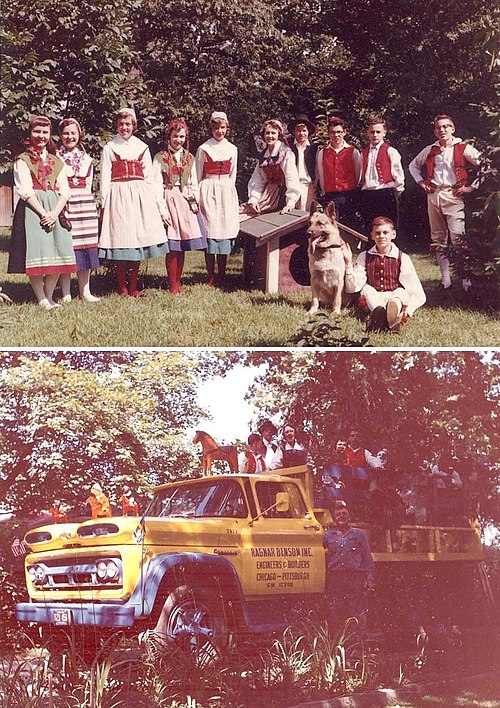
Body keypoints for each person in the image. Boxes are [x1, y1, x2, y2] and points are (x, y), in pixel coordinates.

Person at [7, 115, 76, 309]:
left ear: (50, 134)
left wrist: (54, 213)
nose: (41, 136)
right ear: (30, 133)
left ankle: (49, 295)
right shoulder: (23, 160)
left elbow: (65, 190)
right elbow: (25, 191)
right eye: (37, 131)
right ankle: (41, 298)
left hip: (55, 207)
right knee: (37, 251)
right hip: (33, 209)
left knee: (58, 250)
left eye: (45, 132)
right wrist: (43, 213)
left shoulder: (56, 161)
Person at [99, 107, 168, 297]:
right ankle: (122, 287)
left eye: (128, 124)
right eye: (121, 124)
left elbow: (149, 177)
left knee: (136, 241)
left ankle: (133, 286)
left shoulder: (142, 147)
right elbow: (104, 177)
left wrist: (152, 202)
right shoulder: (110, 147)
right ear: (117, 125)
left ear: (134, 126)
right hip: (118, 195)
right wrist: (105, 203)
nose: (124, 127)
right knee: (122, 240)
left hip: (138, 196)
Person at [408, 114, 481, 291]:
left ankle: (466, 281)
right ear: (435, 131)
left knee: (458, 237)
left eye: (446, 126)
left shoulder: (463, 147)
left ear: (452, 129)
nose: (442, 130)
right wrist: (421, 182)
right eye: (439, 127)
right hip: (433, 195)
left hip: (454, 195)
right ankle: (445, 280)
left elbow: (485, 165)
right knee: (438, 238)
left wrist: (471, 187)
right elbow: (413, 166)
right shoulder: (431, 149)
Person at [344, 216, 426, 332]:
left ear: (393, 234)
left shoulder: (402, 257)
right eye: (377, 233)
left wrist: (408, 311)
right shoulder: (365, 256)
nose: (381, 236)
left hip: (393, 294)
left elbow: (416, 291)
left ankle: (392, 315)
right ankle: (380, 313)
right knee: (367, 289)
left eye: (385, 232)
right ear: (372, 235)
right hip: (374, 298)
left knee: (400, 292)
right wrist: (348, 263)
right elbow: (352, 287)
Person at [153, 118, 206, 294]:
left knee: (182, 244)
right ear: (169, 137)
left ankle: (178, 281)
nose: (179, 140)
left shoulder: (189, 158)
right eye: (175, 136)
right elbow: (155, 184)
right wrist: (161, 209)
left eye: (182, 137)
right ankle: (172, 284)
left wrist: (194, 201)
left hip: (184, 201)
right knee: (172, 245)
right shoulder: (160, 157)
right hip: (168, 199)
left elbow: (193, 182)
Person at [57, 118, 100, 303]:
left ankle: (85, 291)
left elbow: (89, 185)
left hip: (85, 205)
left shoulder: (87, 159)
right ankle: (66, 292)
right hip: (66, 204)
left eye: (73, 133)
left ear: (79, 134)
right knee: (68, 247)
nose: (70, 136)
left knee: (86, 248)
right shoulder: (55, 158)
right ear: (60, 135)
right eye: (66, 133)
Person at [195, 111, 240, 287]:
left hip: (225, 190)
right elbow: (198, 174)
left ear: (227, 128)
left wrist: (228, 189)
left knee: (224, 229)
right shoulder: (204, 148)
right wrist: (198, 195)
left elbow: (233, 174)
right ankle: (211, 274)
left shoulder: (232, 149)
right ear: (211, 129)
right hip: (208, 188)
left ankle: (222, 273)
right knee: (210, 229)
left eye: (222, 128)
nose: (219, 131)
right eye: (216, 128)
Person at [323, 504, 374, 633]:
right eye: (338, 515)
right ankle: (338, 644)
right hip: (336, 578)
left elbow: (367, 557)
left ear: (349, 516)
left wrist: (369, 578)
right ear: (335, 518)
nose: (341, 517)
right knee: (336, 611)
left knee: (356, 612)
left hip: (355, 578)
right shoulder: (328, 536)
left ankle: (357, 645)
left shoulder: (359, 534)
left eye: (344, 514)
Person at [245, 119, 301, 215]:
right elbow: (258, 179)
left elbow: (291, 177)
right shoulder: (264, 155)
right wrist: (254, 198)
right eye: (267, 133)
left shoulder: (285, 153)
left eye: (273, 133)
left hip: (283, 195)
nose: (270, 136)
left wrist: (290, 201)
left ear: (278, 135)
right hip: (268, 194)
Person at [315, 116, 362, 230]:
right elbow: (321, 175)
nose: (336, 135)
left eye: (339, 132)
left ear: (344, 132)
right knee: (331, 227)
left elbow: (358, 173)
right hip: (331, 196)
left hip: (349, 196)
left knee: (349, 227)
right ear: (328, 133)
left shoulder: (353, 151)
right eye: (333, 132)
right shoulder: (322, 152)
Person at [360, 117, 404, 231]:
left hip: (386, 193)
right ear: (368, 133)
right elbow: (360, 173)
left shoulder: (390, 151)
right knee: (370, 227)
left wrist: (396, 193)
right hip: (368, 194)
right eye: (372, 132)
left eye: (378, 132)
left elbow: (398, 175)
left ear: (384, 133)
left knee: (388, 226)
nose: (375, 135)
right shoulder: (363, 153)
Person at [288, 113, 318, 211]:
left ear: (308, 132)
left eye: (304, 130)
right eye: (298, 131)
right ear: (294, 132)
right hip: (291, 185)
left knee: (307, 214)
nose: (301, 134)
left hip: (307, 185)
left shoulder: (314, 148)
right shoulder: (288, 147)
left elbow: (318, 169)